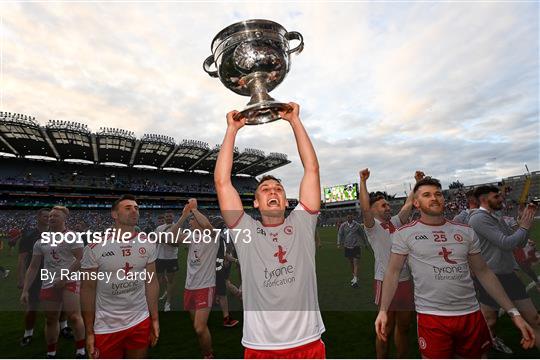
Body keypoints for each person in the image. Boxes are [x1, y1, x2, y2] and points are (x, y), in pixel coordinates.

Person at [375, 178, 536, 358]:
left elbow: (483, 272)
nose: (435, 198)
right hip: (432, 316)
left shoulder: (465, 231)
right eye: (427, 195)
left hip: (471, 314)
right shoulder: (404, 234)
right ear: (416, 203)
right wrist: (383, 310)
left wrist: (514, 312)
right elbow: (393, 272)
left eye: (438, 194)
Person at [214, 103, 326, 358]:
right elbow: (222, 182)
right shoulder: (245, 231)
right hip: (261, 346)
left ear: (287, 202)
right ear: (255, 203)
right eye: (265, 190)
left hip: (307, 342)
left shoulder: (302, 223)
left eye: (278, 189)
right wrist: (232, 130)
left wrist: (295, 121)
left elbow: (312, 170)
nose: (273, 191)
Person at [80, 195, 159, 359]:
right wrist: (89, 331)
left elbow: (151, 283)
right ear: (114, 214)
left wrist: (154, 318)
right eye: (128, 208)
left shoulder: (148, 243)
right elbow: (88, 290)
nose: (134, 211)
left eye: (136, 208)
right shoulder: (95, 247)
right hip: (106, 326)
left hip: (140, 320)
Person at [359, 168, 423, 358]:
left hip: (405, 281)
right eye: (383, 205)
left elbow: (409, 204)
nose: (388, 207)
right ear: (373, 210)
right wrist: (362, 182)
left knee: (404, 326)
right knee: (385, 329)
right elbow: (364, 208)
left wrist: (417, 182)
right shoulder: (372, 227)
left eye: (388, 204)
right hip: (385, 281)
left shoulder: (396, 221)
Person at [468, 185, 540, 350]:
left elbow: (518, 243)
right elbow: (506, 244)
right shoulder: (478, 218)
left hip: (507, 275)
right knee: (489, 321)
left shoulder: (496, 216)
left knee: (534, 319)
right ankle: (480, 347)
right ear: (485, 200)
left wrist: (523, 225)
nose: (501, 199)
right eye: (497, 196)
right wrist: (523, 227)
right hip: (490, 278)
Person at [20, 206, 86, 358]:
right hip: (49, 282)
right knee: (50, 319)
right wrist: (25, 289)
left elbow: (80, 259)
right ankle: (51, 352)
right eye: (50, 216)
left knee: (74, 316)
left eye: (55, 216)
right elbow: (34, 266)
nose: (51, 218)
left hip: (69, 279)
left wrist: (64, 277)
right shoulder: (41, 241)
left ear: (64, 219)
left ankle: (80, 351)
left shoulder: (73, 236)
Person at [169, 198, 220, 358]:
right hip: (189, 287)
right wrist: (184, 216)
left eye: (191, 221)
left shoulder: (213, 237)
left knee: (199, 327)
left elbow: (206, 226)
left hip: (205, 287)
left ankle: (208, 355)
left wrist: (194, 210)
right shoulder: (191, 237)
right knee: (198, 328)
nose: (190, 223)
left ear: (198, 220)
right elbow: (172, 238)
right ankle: (205, 351)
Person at [17, 208, 49, 346]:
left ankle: (62, 326)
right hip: (35, 275)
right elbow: (22, 259)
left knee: (56, 305)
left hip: (52, 274)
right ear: (38, 217)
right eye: (45, 216)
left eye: (50, 216)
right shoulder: (29, 235)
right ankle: (28, 333)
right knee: (32, 305)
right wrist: (21, 279)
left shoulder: (57, 235)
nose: (48, 218)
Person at [212, 216, 240, 328]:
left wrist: (234, 260)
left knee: (222, 291)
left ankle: (226, 317)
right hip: (213, 270)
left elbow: (225, 253)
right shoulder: (214, 238)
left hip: (216, 270)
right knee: (220, 290)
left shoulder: (219, 238)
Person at [155, 211, 178, 312]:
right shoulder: (159, 228)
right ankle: (162, 294)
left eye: (170, 216)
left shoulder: (177, 227)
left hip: (171, 258)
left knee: (170, 280)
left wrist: (165, 240)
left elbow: (177, 244)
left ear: (173, 217)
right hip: (159, 257)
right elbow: (155, 240)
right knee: (158, 279)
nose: (168, 217)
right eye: (167, 216)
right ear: (165, 217)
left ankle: (168, 302)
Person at [337, 214, 365, 288]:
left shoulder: (358, 225)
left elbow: (362, 234)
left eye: (351, 216)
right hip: (347, 246)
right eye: (348, 217)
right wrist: (339, 243)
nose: (349, 218)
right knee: (351, 262)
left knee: (356, 262)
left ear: (353, 217)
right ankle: (354, 276)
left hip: (356, 246)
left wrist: (365, 243)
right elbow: (340, 234)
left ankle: (355, 279)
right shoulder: (343, 225)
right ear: (346, 217)